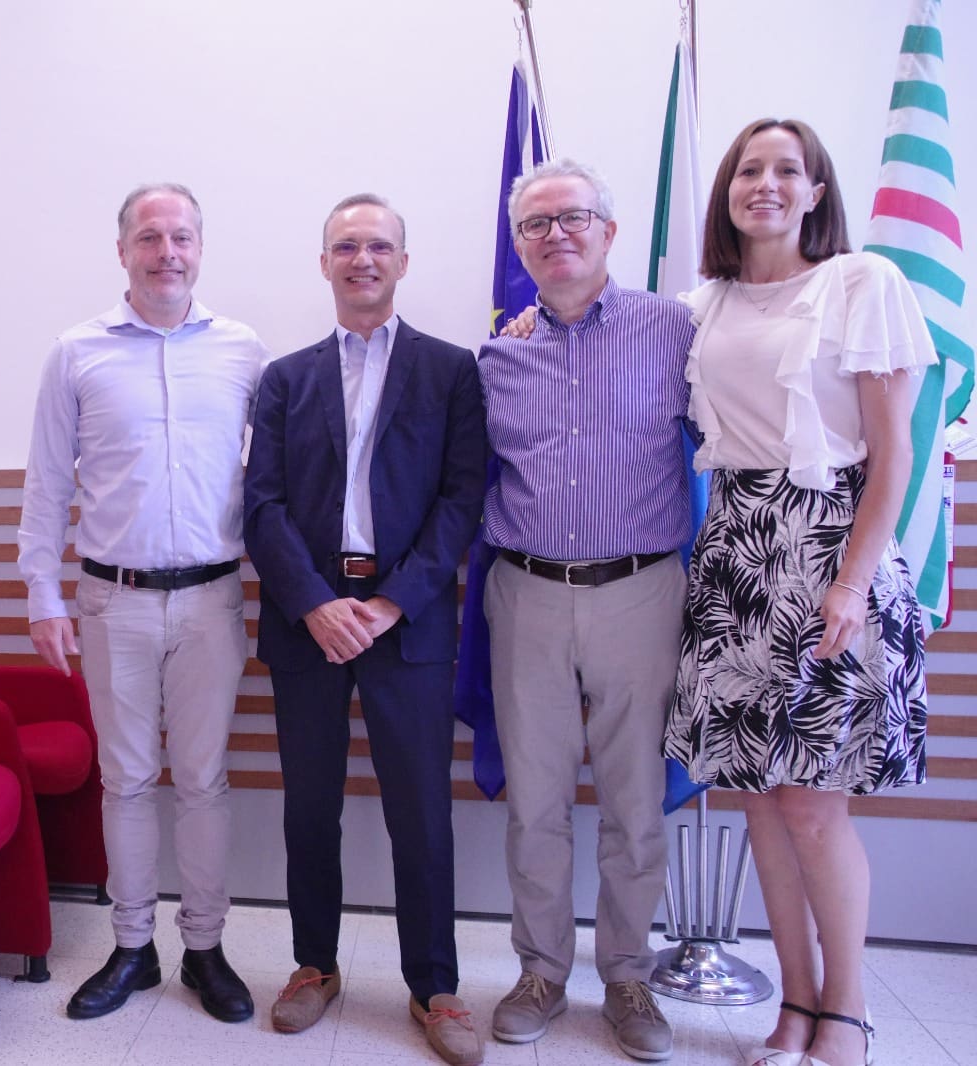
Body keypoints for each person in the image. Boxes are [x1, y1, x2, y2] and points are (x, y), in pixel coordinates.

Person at [663, 118, 933, 1066]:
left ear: (817, 192)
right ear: (727, 190)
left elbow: (895, 454)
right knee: (759, 801)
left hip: (830, 551)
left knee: (815, 805)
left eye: (788, 170)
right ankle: (796, 1002)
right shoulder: (700, 304)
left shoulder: (863, 283)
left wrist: (854, 581)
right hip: (735, 550)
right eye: (750, 168)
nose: (765, 183)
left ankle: (847, 1014)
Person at [243, 194, 487, 1063]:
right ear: (325, 264)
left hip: (405, 617)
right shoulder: (285, 378)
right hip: (307, 616)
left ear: (403, 262)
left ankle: (435, 985)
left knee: (420, 810)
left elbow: (463, 498)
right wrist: (315, 604)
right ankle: (314, 964)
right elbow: (262, 504)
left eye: (379, 245)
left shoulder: (450, 370)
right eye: (345, 246)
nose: (363, 259)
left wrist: (392, 602)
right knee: (309, 806)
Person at [18, 183, 269, 1024]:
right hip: (111, 602)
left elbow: (276, 476)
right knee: (124, 780)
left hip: (211, 600)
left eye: (182, 236)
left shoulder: (243, 352)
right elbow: (47, 484)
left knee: (202, 780)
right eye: (151, 237)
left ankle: (205, 948)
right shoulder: (76, 353)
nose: (168, 252)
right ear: (122, 250)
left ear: (201, 247)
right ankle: (132, 947)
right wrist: (42, 593)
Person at [477, 158, 694, 1063]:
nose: (556, 235)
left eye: (574, 218)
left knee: (634, 801)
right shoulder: (499, 354)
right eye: (536, 224)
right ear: (519, 245)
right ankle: (540, 973)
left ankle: (629, 977)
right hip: (525, 592)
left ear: (608, 230)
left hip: (642, 591)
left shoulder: (675, 329)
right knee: (535, 804)